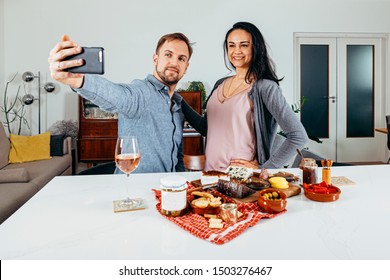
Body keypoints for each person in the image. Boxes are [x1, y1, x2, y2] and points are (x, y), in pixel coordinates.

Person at [48, 33, 193, 173]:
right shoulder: (141, 93)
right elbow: (116, 95)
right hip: (136, 192)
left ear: (186, 67)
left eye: (181, 58)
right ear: (155, 59)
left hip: (166, 192)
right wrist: (79, 81)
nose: (174, 62)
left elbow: (177, 158)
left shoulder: (177, 106)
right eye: (168, 55)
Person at [182, 22, 308, 172]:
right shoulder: (220, 84)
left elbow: (298, 136)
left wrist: (265, 169)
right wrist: (179, 101)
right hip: (210, 174)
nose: (237, 51)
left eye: (244, 45)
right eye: (231, 45)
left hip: (243, 179)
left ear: (255, 48)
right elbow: (206, 128)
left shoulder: (265, 87)